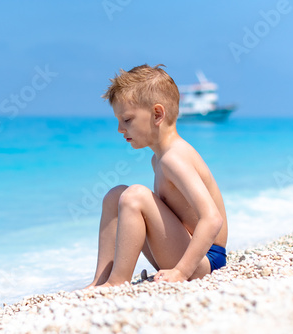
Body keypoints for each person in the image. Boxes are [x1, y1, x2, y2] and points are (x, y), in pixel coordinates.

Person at [85, 64, 228, 288]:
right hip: (187, 251)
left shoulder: (175, 158)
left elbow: (212, 218)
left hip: (204, 260)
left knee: (135, 196)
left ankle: (116, 282)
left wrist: (181, 271)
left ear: (157, 114)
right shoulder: (159, 159)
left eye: (127, 120)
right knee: (116, 195)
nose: (120, 129)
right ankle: (100, 281)